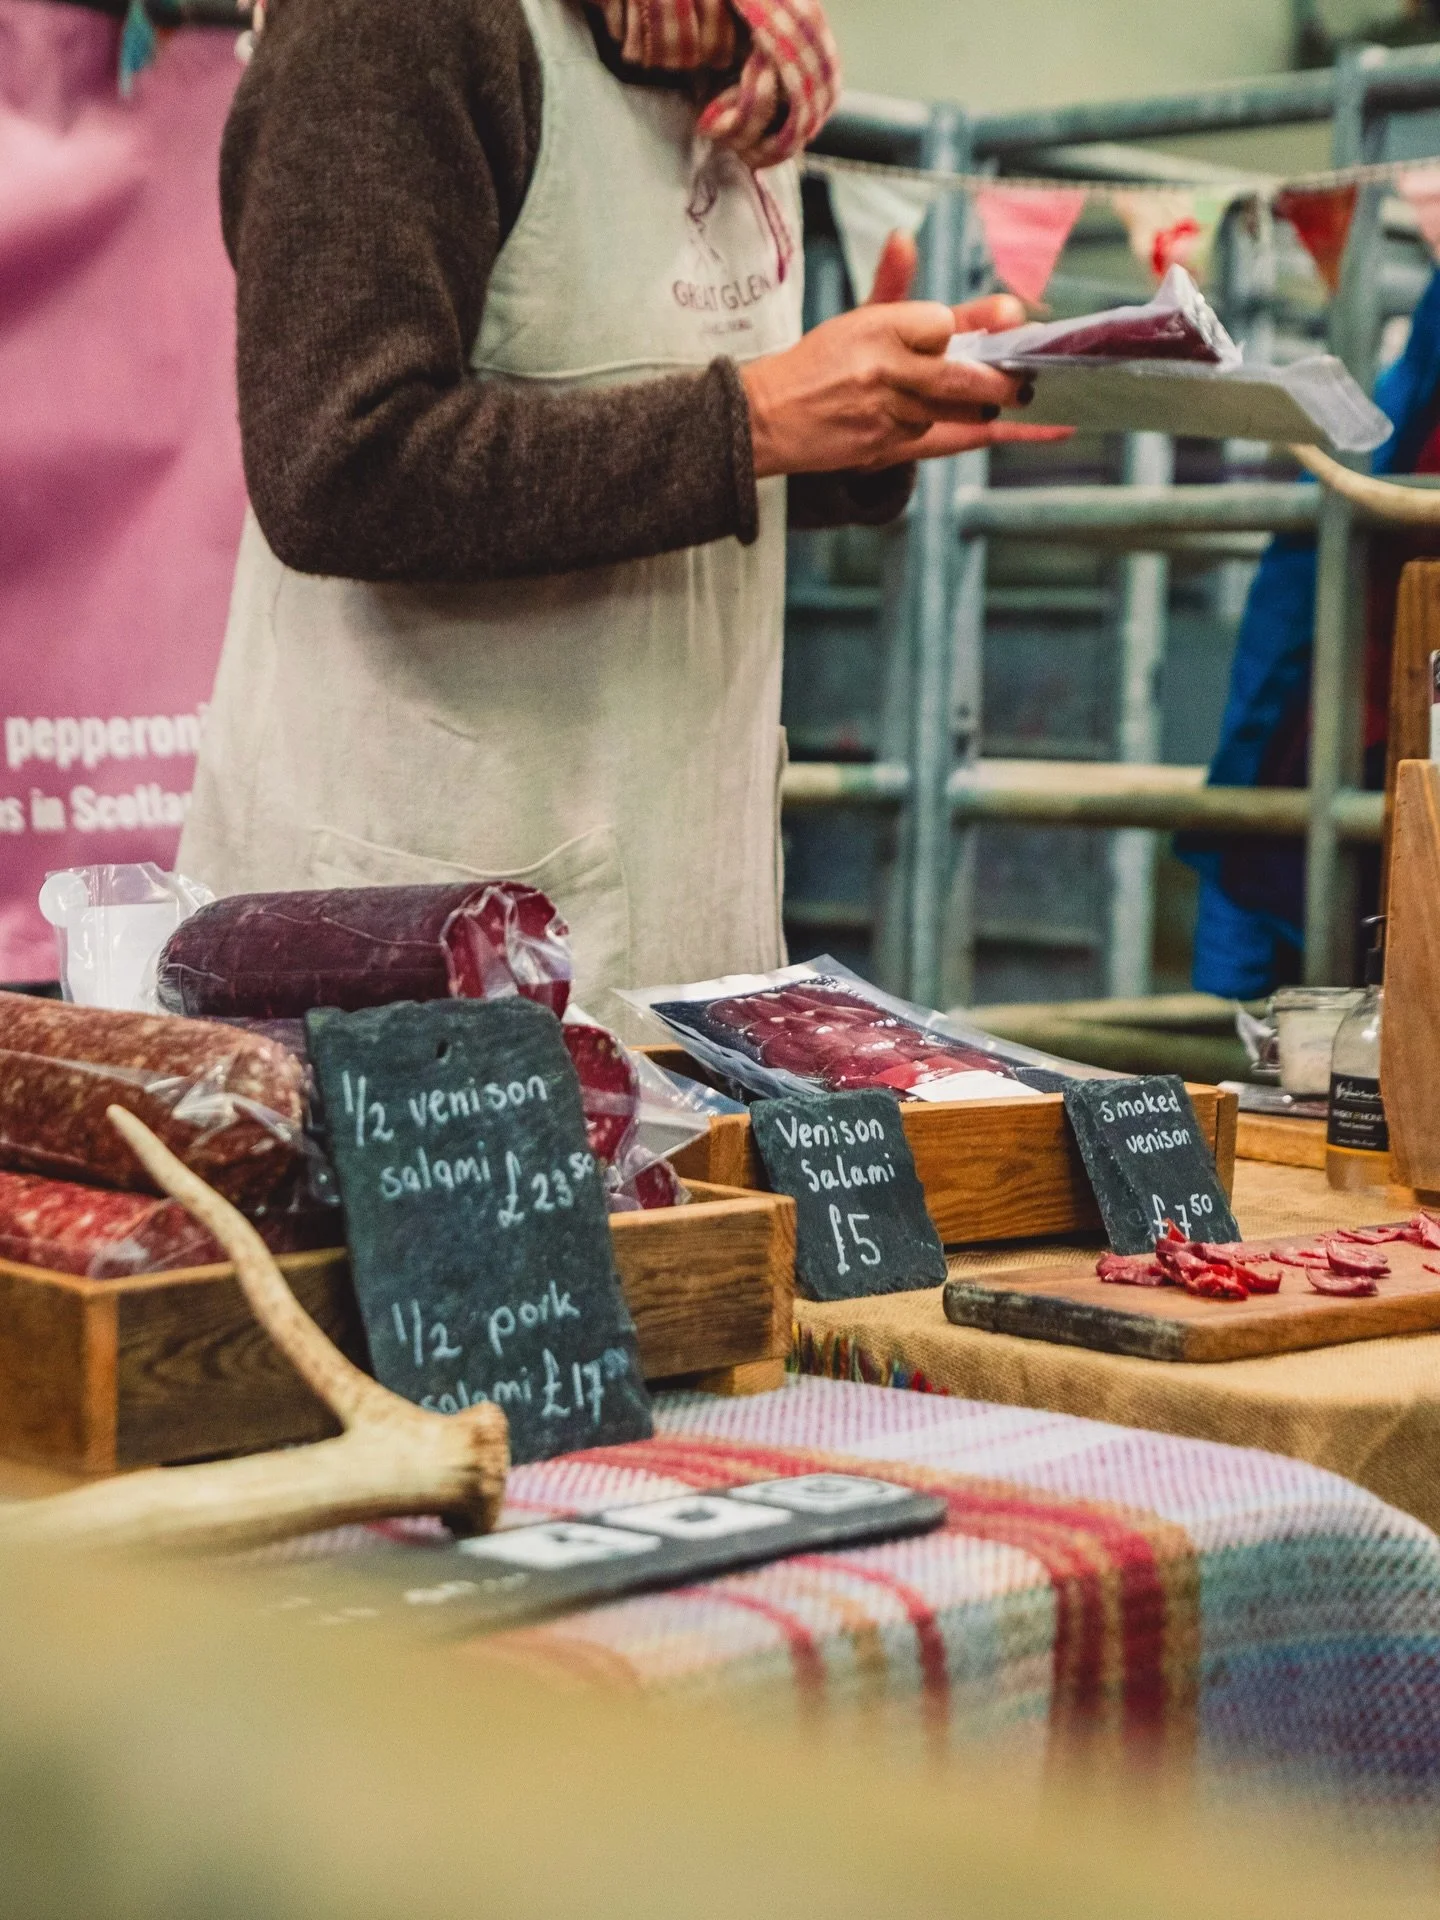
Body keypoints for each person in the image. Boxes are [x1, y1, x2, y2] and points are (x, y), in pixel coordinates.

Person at [179, 0, 1066, 1029]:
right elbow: (338, 464)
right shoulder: (393, 24)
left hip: (681, 909)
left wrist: (855, 427)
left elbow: (635, 412)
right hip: (399, 935)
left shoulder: (747, 63)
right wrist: (759, 419)